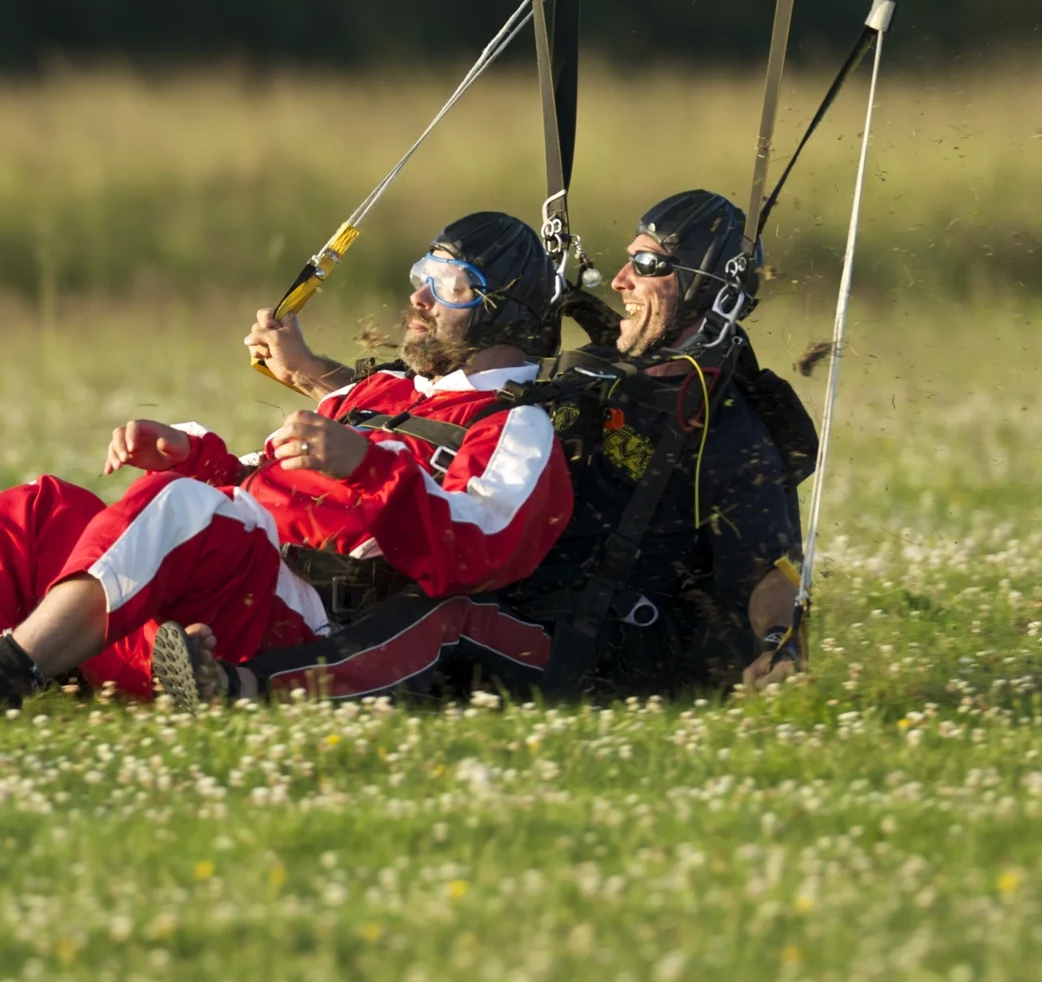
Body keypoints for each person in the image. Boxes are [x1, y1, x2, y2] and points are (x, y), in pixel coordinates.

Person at [0, 211, 576, 711]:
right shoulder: (383, 392)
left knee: (185, 509)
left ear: (504, 311)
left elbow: (483, 545)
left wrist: (365, 465)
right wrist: (192, 452)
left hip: (292, 616)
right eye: (419, 276)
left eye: (449, 284)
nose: (420, 298)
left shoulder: (517, 423)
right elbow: (255, 485)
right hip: (213, 585)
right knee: (42, 508)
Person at [225, 189, 808, 705]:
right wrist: (308, 373)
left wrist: (781, 649)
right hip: (502, 586)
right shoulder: (594, 373)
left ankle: (246, 685)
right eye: (628, 260)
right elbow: (455, 407)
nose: (620, 280)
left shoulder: (726, 427)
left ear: (707, 288)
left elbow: (772, 569)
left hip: (598, 645)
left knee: (443, 614)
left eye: (647, 264)